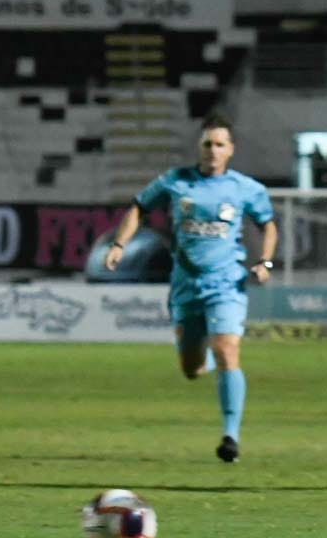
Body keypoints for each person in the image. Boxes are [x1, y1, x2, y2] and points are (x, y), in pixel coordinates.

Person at [105, 112, 277, 463]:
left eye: (219, 144)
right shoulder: (176, 181)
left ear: (231, 149)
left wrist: (265, 262)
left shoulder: (245, 188)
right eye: (207, 144)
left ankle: (230, 437)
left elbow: (268, 225)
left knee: (228, 349)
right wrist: (119, 244)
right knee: (192, 368)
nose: (213, 150)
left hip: (226, 284)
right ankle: (206, 356)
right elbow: (139, 206)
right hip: (185, 285)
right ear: (199, 147)